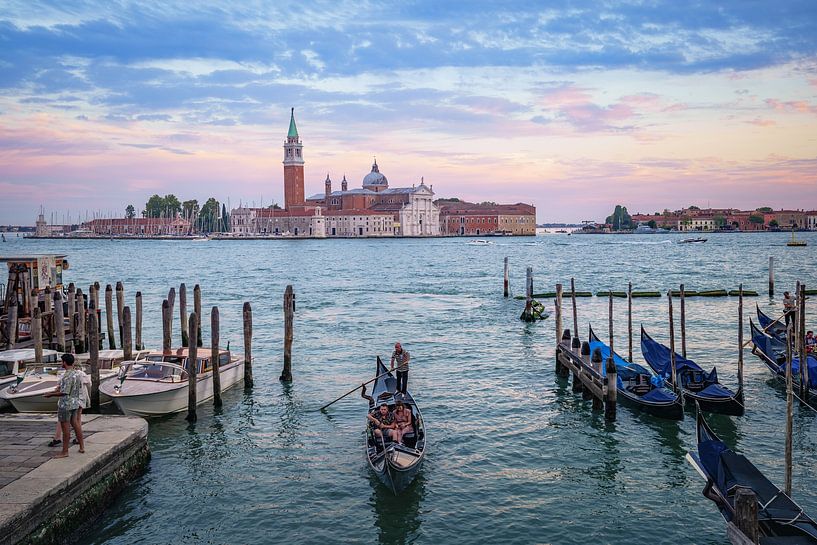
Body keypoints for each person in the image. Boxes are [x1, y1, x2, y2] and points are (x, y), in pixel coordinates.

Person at [44, 354, 85, 458]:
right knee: (76, 425)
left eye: (62, 361)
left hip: (65, 405)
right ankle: (82, 447)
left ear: (65, 362)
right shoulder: (77, 374)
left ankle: (65, 452)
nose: (61, 363)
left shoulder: (67, 376)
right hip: (75, 403)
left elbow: (65, 392)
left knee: (65, 428)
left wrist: (51, 395)